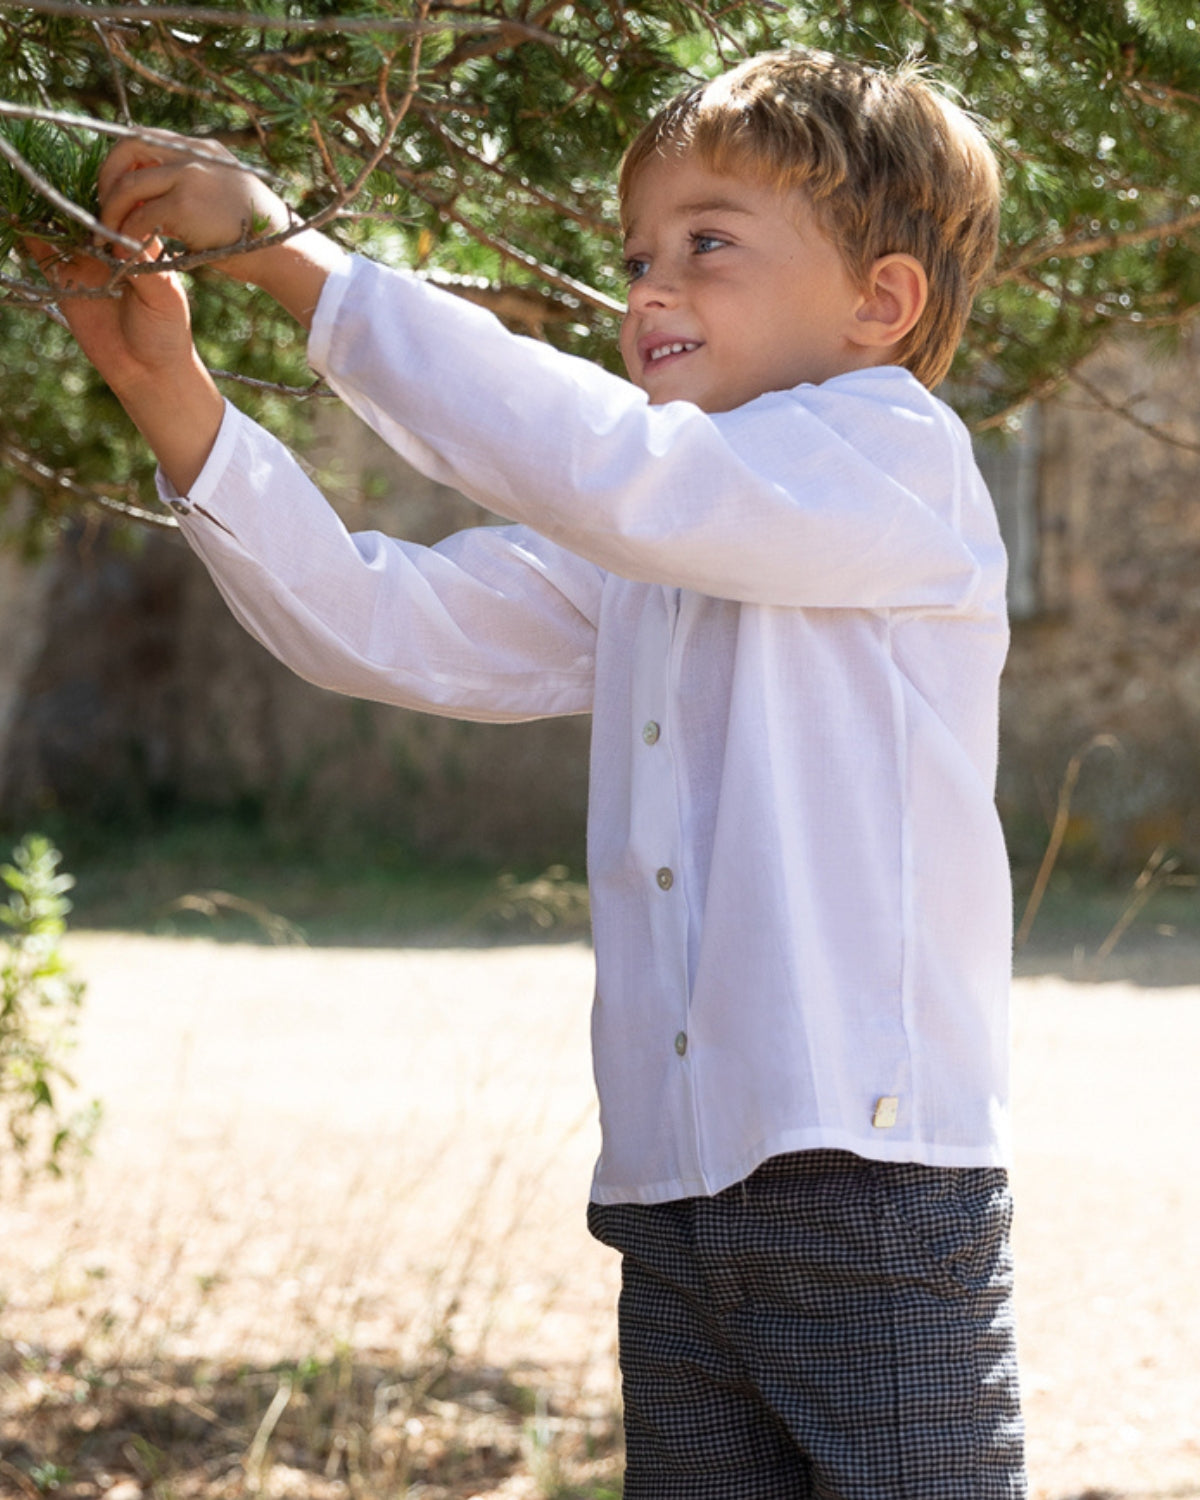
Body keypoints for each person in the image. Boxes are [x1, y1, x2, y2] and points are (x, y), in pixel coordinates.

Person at [43, 46, 1023, 1499]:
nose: (649, 288)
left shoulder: (894, 463)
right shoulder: (654, 540)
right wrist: (170, 391)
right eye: (637, 254)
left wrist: (309, 271)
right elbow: (384, 622)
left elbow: (620, 472)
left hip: (867, 1193)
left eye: (708, 243)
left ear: (881, 303)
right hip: (673, 1203)